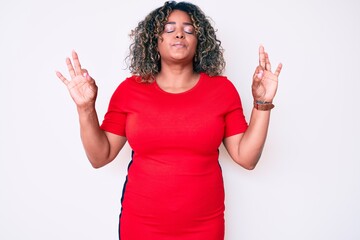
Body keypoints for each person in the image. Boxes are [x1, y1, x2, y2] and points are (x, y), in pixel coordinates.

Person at [56, 1, 282, 239]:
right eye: (169, 28)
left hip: (204, 226)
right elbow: (100, 156)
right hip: (141, 225)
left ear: (200, 41)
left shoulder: (222, 90)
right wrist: (85, 108)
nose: (179, 33)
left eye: (189, 29)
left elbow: (247, 158)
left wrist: (262, 104)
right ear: (155, 39)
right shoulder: (130, 90)